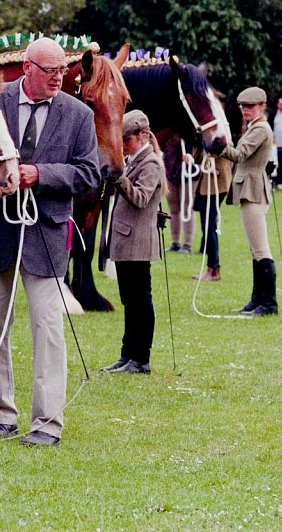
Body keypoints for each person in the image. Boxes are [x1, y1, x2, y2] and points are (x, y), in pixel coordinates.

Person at [0, 37, 101, 447]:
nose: (59, 78)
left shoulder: (78, 115)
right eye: (50, 70)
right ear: (27, 69)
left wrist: (39, 174)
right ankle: (1, 414)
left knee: (48, 326)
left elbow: (89, 175)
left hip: (45, 232)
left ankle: (47, 423)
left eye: (62, 70)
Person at [101, 110, 164, 375]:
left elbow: (140, 198)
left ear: (143, 135)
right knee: (130, 301)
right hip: (128, 240)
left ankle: (141, 358)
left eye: (127, 139)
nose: (123, 144)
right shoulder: (134, 160)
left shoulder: (150, 163)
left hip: (138, 242)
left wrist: (118, 177)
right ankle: (127, 354)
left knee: (140, 301)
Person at [209, 86, 278, 316]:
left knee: (260, 249)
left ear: (261, 107)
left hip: (254, 190)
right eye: (243, 107)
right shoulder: (254, 127)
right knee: (254, 249)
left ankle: (268, 303)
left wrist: (221, 148)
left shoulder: (260, 129)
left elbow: (240, 154)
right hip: (250, 188)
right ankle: (257, 299)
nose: (245, 110)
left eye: (250, 106)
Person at [193, 149, 231, 281]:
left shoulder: (220, 130)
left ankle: (213, 269)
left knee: (208, 225)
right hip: (206, 184)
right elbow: (197, 158)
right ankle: (212, 268)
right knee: (208, 225)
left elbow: (225, 148)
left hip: (216, 184)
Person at [163, 137, 196, 253]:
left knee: (187, 208)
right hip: (170, 171)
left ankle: (187, 243)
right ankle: (175, 242)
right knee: (173, 209)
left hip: (187, 173)